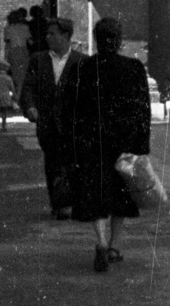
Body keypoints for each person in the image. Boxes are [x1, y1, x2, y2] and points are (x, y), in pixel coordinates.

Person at [59, 17, 152, 272]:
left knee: (96, 194)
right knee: (121, 196)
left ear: (96, 39)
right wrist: (142, 145)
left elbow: (69, 109)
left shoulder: (81, 68)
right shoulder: (134, 68)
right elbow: (143, 109)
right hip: (124, 143)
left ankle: (100, 241)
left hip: (91, 143)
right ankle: (114, 246)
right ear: (119, 40)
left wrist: (72, 143)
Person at [20, 17, 84, 218]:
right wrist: (30, 106)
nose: (47, 38)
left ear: (65, 36)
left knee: (73, 163)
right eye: (47, 34)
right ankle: (59, 205)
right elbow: (28, 87)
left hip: (74, 124)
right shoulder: (38, 60)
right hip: (47, 123)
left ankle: (70, 203)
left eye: (52, 34)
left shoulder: (82, 61)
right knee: (53, 164)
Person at [2, 7, 31, 97]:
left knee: (15, 75)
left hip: (13, 52)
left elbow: (8, 44)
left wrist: (5, 57)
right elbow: (30, 42)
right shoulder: (25, 27)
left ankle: (16, 96)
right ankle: (20, 95)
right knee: (22, 75)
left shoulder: (8, 28)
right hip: (24, 51)